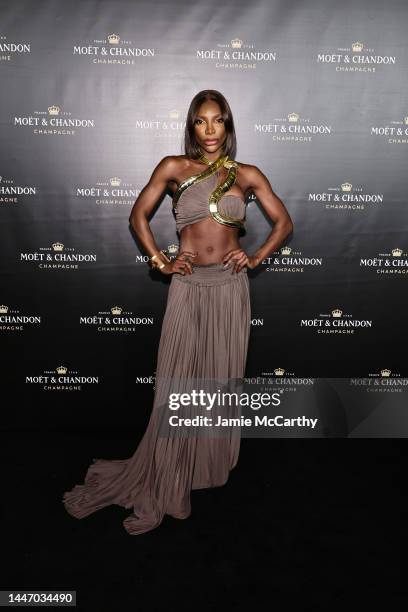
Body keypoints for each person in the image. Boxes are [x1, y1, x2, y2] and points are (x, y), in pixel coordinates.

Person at [62, 89, 293, 535]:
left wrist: (257, 256)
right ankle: (167, 469)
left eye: (218, 121)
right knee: (178, 380)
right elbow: (137, 217)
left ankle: (203, 466)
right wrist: (161, 261)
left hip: (230, 288)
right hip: (188, 286)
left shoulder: (246, 174)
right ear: (191, 126)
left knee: (218, 379)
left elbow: (284, 222)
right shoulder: (173, 168)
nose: (209, 131)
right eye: (201, 122)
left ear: (228, 125)